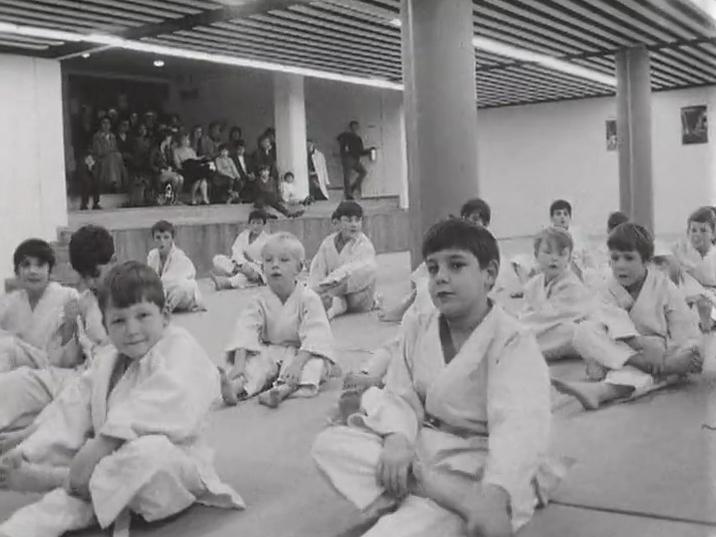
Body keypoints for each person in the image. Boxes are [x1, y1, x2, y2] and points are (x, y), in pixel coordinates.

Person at [313, 219, 563, 537]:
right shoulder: (419, 323)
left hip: (480, 462)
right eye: (433, 268)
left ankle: (428, 497)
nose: (441, 277)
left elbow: (520, 425)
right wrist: (398, 441)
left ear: (489, 273)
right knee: (331, 444)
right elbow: (399, 393)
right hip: (424, 446)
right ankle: (435, 490)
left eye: (456, 265)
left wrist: (495, 493)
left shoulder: (512, 339)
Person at [0, 262, 244, 536]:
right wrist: (28, 449)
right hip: (105, 470)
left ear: (165, 316)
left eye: (142, 315)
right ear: (105, 325)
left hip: (168, 470)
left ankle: (58, 480)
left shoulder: (179, 345)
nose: (132, 329)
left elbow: (169, 400)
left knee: (148, 452)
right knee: (56, 504)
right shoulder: (107, 360)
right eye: (119, 320)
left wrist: (102, 444)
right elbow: (72, 409)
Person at [552, 223, 703, 411]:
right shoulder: (607, 288)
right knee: (583, 332)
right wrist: (644, 352)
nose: (620, 265)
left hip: (659, 351)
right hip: (626, 351)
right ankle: (659, 370)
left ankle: (602, 391)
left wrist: (676, 354)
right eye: (615, 258)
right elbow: (612, 327)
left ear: (646, 261)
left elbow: (686, 333)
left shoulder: (664, 287)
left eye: (629, 258)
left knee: (688, 353)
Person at [0, 226, 114, 450]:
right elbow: (66, 359)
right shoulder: (84, 301)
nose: (91, 282)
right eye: (84, 276)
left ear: (114, 260)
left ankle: (29, 435)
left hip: (104, 378)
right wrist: (70, 326)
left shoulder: (130, 292)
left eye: (96, 274)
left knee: (71, 401)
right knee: (19, 381)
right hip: (73, 373)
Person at [220, 232, 335, 407]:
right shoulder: (259, 299)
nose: (275, 265)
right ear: (262, 267)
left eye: (283, 260)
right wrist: (239, 365)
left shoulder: (308, 298)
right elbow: (246, 329)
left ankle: (283, 390)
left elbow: (316, 335)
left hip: (303, 352)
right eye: (268, 260)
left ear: (299, 267)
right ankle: (236, 388)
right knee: (254, 365)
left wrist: (297, 364)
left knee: (315, 366)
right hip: (272, 350)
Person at [379, 198, 491, 323]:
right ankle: (404, 312)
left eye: (481, 221)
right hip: (441, 279)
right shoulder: (455, 240)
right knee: (424, 287)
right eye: (473, 219)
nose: (477, 223)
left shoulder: (486, 246)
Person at [0, 239, 79, 374]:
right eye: (26, 265)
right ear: (17, 271)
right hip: (14, 370)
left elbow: (75, 349)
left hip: (53, 369)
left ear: (50, 270)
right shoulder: (9, 302)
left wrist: (70, 326)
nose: (33, 271)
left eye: (40, 265)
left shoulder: (69, 297)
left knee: (7, 346)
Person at [519, 227, 597, 361]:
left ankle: (524, 349)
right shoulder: (533, 284)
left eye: (561, 254)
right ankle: (524, 345)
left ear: (568, 259)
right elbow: (527, 312)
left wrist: (523, 325)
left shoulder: (571, 284)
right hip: (542, 328)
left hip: (565, 329)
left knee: (572, 331)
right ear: (536, 255)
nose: (554, 258)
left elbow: (554, 316)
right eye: (547, 252)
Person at [309, 201, 378, 320]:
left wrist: (337, 282)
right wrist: (318, 287)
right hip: (331, 289)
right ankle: (328, 308)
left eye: (358, 220)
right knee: (319, 295)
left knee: (353, 299)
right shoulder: (328, 243)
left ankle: (330, 303)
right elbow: (318, 268)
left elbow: (364, 270)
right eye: (348, 220)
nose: (354, 225)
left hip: (357, 292)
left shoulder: (364, 245)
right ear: (337, 222)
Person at [511, 199, 594, 291]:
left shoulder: (577, 234)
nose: (562, 217)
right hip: (549, 266)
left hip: (570, 268)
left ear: (570, 218)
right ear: (552, 218)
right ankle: (526, 288)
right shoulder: (547, 234)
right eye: (558, 214)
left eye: (565, 214)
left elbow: (588, 257)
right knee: (518, 261)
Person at [146, 220, 205, 313]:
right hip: (164, 293)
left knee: (186, 286)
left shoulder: (179, 256)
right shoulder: (152, 255)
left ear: (172, 239)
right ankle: (161, 304)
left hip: (182, 296)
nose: (162, 241)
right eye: (158, 238)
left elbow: (170, 281)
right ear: (153, 239)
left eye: (166, 237)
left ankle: (168, 308)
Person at [211, 210, 270, 290]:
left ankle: (225, 283)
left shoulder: (268, 240)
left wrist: (251, 264)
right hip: (239, 265)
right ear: (249, 224)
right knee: (218, 259)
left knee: (245, 275)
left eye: (259, 223)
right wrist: (242, 264)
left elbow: (267, 261)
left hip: (256, 269)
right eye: (253, 223)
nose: (256, 226)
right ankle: (239, 274)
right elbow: (236, 250)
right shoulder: (243, 235)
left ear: (264, 225)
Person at [337, 120, 375, 200]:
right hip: (349, 158)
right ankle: (349, 193)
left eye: (356, 127)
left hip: (354, 159)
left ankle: (352, 188)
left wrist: (369, 150)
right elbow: (339, 140)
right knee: (347, 176)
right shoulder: (346, 136)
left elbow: (360, 151)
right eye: (354, 127)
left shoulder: (357, 138)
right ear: (351, 127)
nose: (355, 128)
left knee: (362, 172)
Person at [174, 133, 210, 206]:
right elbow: (177, 164)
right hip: (186, 170)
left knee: (201, 177)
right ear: (181, 140)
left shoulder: (191, 150)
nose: (187, 141)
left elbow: (196, 159)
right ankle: (193, 198)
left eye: (187, 139)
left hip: (195, 168)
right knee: (200, 177)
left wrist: (203, 157)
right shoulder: (176, 151)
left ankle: (204, 198)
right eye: (185, 139)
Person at [149, 130, 184, 205]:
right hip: (158, 173)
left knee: (180, 178)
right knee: (175, 178)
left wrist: (170, 168)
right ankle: (169, 198)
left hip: (168, 172)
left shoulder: (168, 150)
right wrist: (159, 170)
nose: (170, 140)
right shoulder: (154, 150)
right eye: (169, 138)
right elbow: (150, 164)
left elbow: (171, 162)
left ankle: (175, 198)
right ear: (164, 139)